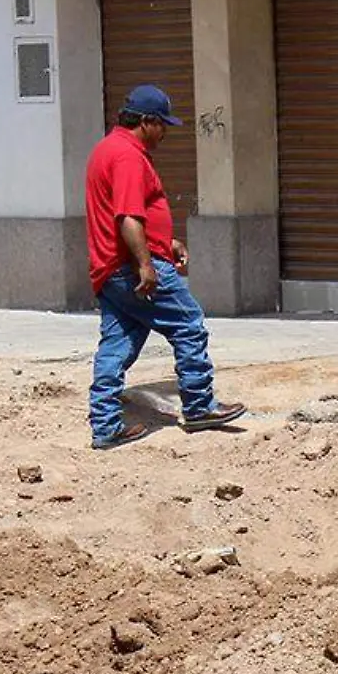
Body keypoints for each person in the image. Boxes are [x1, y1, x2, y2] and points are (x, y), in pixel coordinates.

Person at [84, 84, 245, 450]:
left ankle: (105, 425)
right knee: (188, 325)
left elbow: (125, 215)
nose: (165, 134)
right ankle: (200, 406)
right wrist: (146, 264)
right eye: (162, 125)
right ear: (146, 121)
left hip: (109, 267)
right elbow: (127, 217)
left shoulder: (107, 148)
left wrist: (164, 242)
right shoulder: (127, 156)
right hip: (131, 267)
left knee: (117, 344)